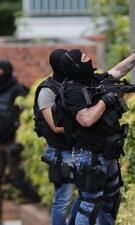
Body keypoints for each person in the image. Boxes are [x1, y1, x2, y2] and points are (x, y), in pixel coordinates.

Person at [56, 36, 135, 225]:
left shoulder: (92, 80)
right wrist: (107, 100)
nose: (89, 59)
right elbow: (86, 119)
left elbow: (118, 70)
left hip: (107, 149)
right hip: (88, 154)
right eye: (85, 58)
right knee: (89, 204)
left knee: (110, 202)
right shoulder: (72, 90)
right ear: (77, 66)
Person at [33, 49, 80, 225]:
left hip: (78, 148)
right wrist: (84, 122)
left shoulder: (73, 83)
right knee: (62, 200)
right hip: (60, 152)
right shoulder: (47, 90)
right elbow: (55, 126)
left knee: (86, 195)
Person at [0, 59, 39, 225]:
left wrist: (18, 141)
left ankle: (39, 202)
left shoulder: (18, 90)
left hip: (12, 144)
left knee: (18, 179)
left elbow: (26, 117)